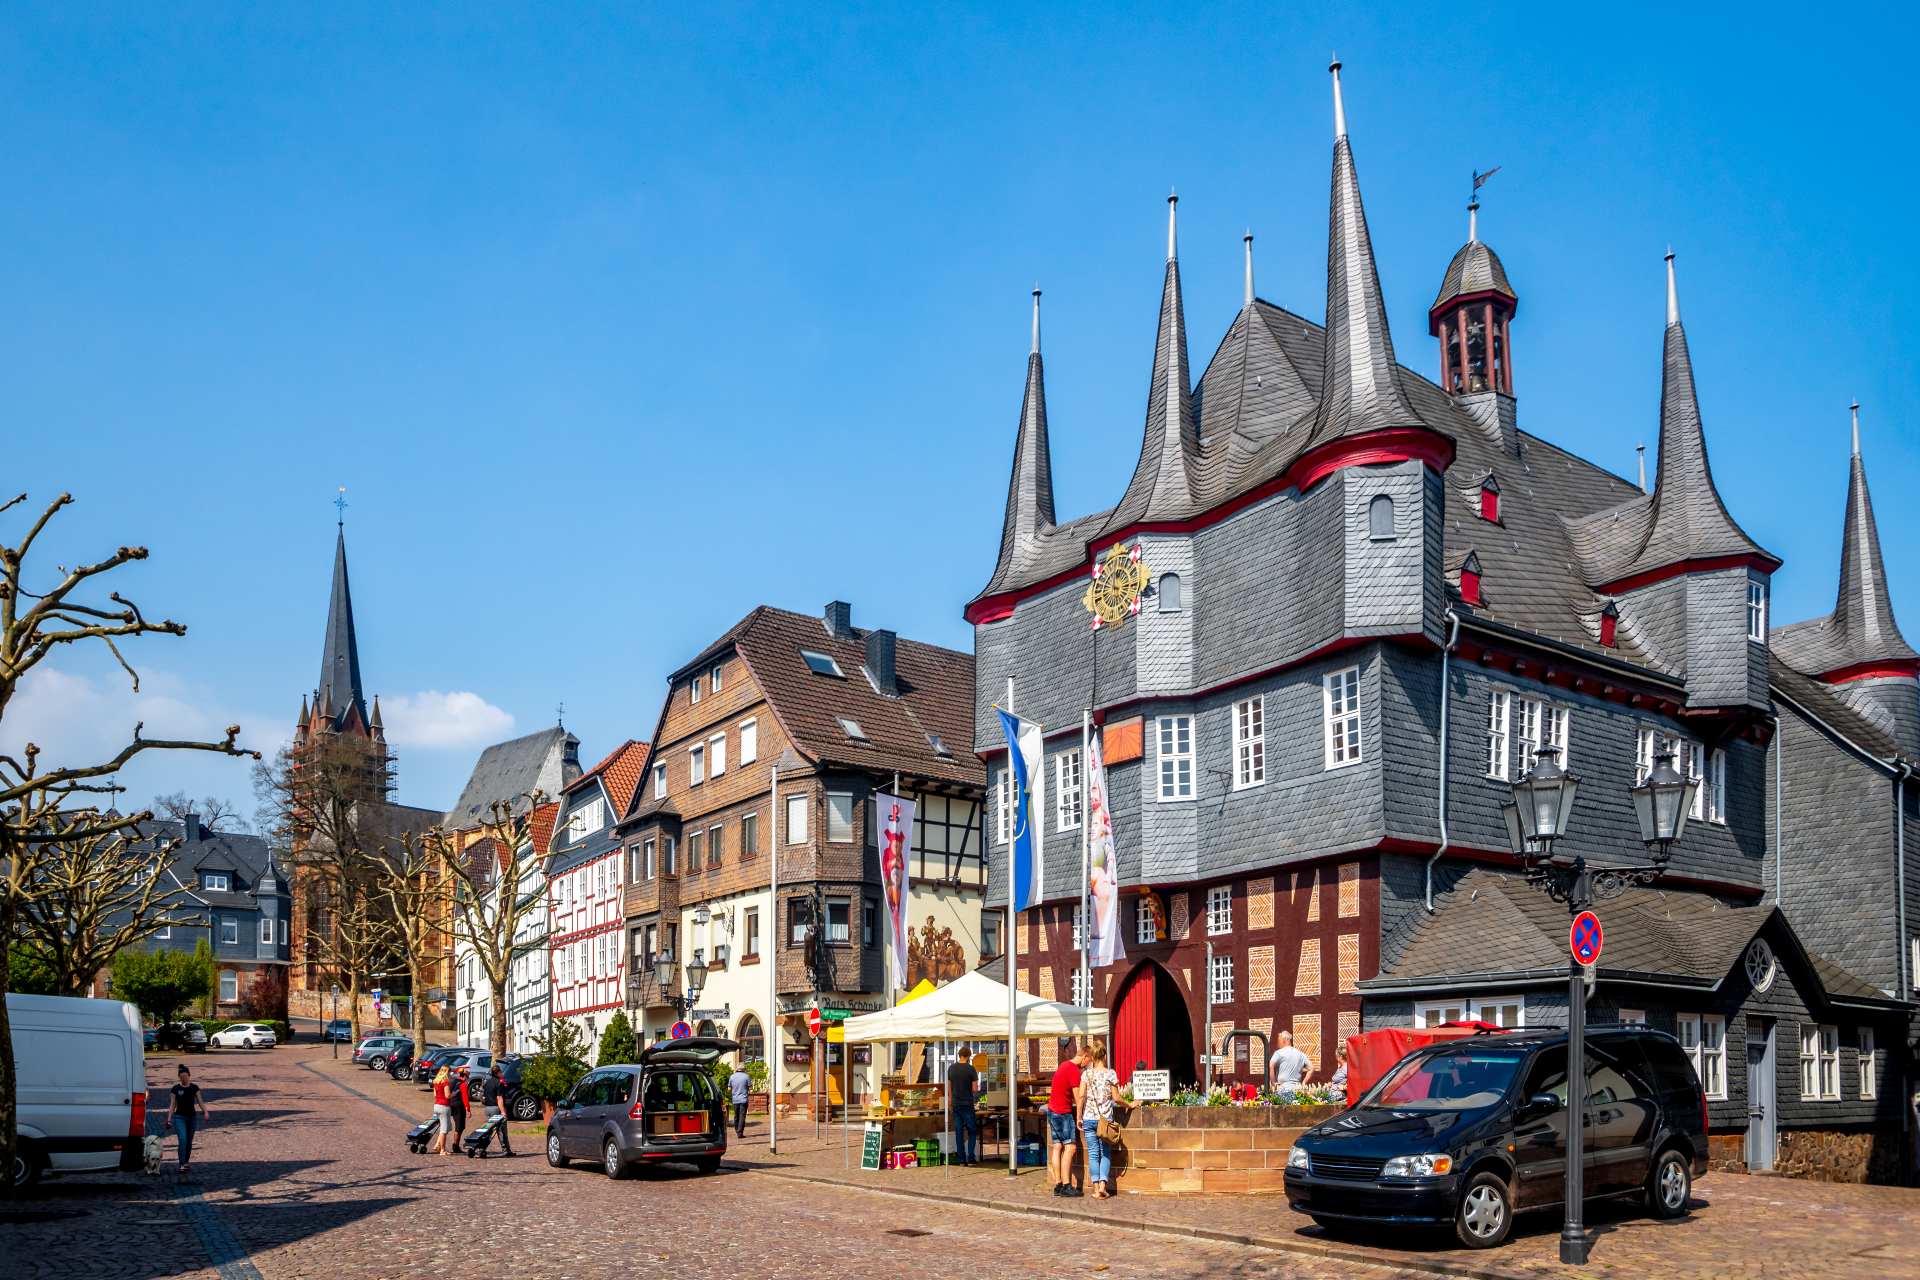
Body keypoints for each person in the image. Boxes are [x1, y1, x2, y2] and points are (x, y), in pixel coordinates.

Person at [1078, 1039, 1119, 1199]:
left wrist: (1078, 1116)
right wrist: (1130, 1104)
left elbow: (1081, 1097)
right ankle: (1103, 1186)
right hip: (1105, 1120)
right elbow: (1116, 1097)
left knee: (1093, 1154)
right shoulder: (1111, 1074)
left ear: (1093, 1057)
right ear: (1104, 1056)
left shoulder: (1086, 1074)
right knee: (1105, 1153)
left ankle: (1095, 1189)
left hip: (1088, 1118)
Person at [1047, 1038, 1088, 1197]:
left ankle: (1057, 1184)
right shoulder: (1073, 1070)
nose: (1087, 1064)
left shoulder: (1063, 1065)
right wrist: (1080, 1117)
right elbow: (1078, 1098)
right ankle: (1066, 1185)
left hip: (1052, 1110)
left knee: (1058, 1147)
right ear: (1084, 1056)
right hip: (1063, 1113)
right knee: (1070, 1148)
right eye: (1088, 1061)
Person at [163, 1064, 209, 1175]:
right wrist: (169, 1119)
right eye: (182, 1077)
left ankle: (186, 1161)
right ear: (179, 1077)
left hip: (192, 1117)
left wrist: (205, 1112)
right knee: (183, 1140)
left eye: (185, 1076)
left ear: (189, 1076)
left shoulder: (194, 1088)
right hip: (179, 1117)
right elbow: (172, 1105)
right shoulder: (175, 1089)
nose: (184, 1079)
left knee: (189, 1141)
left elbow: (200, 1101)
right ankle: (182, 1163)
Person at [946, 1047, 981, 1166]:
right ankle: (970, 1157)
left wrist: (950, 1100)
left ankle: (961, 1159)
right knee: (972, 1131)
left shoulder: (951, 1068)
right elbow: (975, 1089)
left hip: (956, 1104)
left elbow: (949, 1087)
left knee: (959, 1132)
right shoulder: (971, 1069)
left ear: (959, 1055)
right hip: (967, 1104)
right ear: (969, 1056)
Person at [480, 1065, 514, 1156]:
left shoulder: (487, 1082)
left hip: (487, 1108)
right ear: (497, 1073)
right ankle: (506, 1150)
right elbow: (499, 1098)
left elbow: (483, 1097)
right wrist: (503, 1112)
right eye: (501, 1072)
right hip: (496, 1108)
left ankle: (481, 1147)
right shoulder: (499, 1083)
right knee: (501, 1130)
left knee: (488, 1130)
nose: (502, 1074)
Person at [1268, 1030, 1313, 1096]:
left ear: (1283, 1040)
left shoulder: (1279, 1053)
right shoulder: (1300, 1054)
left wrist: (1273, 1084)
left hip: (1283, 1089)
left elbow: (1271, 1065)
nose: (1277, 1044)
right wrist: (1303, 1083)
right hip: (1297, 1090)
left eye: (1278, 1041)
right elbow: (1311, 1068)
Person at [726, 1062, 752, 1138]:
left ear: (737, 1068)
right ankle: (740, 1132)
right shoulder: (747, 1076)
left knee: (736, 1116)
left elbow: (729, 1088)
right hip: (744, 1099)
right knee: (742, 1116)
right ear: (744, 1069)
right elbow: (750, 1089)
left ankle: (737, 1130)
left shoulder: (732, 1077)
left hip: (735, 1099)